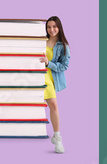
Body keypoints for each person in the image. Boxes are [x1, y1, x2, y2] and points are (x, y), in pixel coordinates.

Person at [39, 16, 71, 153]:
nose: (51, 30)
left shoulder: (63, 46)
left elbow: (64, 66)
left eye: (54, 27)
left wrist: (48, 63)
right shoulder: (40, 40)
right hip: (33, 75)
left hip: (49, 77)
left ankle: (57, 137)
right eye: (49, 27)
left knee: (53, 104)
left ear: (59, 28)